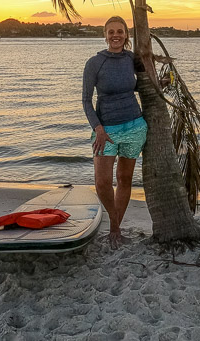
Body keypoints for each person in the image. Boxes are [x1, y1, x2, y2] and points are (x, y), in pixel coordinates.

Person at [82, 15, 147, 248]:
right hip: (106, 130)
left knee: (125, 178)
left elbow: (140, 86)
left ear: (126, 35)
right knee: (102, 182)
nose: (116, 35)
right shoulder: (94, 63)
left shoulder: (132, 58)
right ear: (105, 35)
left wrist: (163, 83)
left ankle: (114, 230)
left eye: (120, 31)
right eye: (111, 32)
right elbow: (86, 101)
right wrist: (98, 129)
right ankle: (114, 223)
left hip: (135, 126)